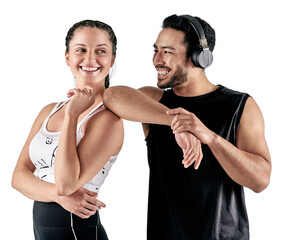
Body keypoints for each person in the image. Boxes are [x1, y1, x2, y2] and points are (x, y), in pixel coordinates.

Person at [103, 14, 272, 239]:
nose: (157, 60)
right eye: (156, 51)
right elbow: (112, 95)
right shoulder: (154, 102)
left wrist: (209, 137)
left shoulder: (240, 105)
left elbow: (260, 181)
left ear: (199, 57)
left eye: (168, 52)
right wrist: (178, 122)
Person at [12, 19, 124, 240]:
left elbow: (66, 184)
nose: (90, 59)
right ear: (68, 57)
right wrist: (59, 196)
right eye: (80, 50)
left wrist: (72, 115)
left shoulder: (108, 119)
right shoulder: (48, 111)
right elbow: (18, 177)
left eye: (100, 51)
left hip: (78, 231)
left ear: (112, 60)